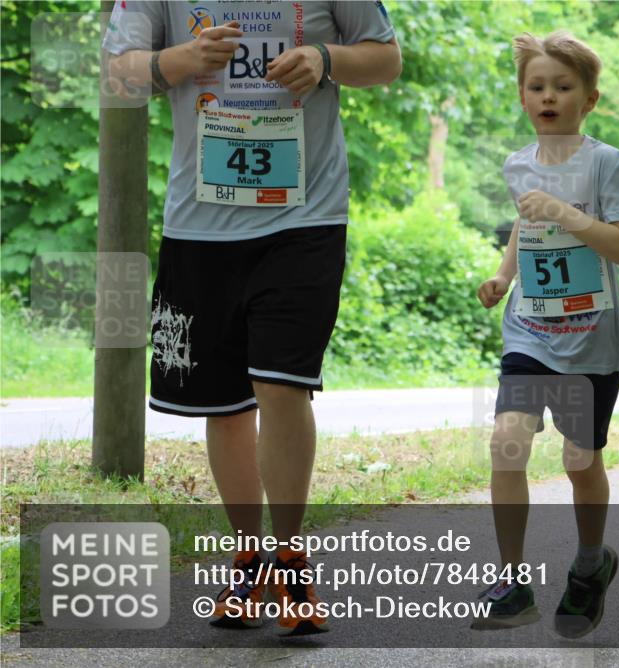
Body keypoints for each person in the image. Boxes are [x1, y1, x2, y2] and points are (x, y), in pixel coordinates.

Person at [103, 2, 401, 636]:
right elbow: (118, 70)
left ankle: (291, 559)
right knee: (226, 401)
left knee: (282, 383)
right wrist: (175, 61)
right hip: (202, 220)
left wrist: (325, 60)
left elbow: (386, 58)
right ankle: (249, 559)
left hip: (305, 215)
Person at [474, 30, 619, 638]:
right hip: (529, 333)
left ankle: (591, 564)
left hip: (590, 340)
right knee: (505, 443)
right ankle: (513, 581)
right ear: (522, 97)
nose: (549, 96)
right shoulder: (517, 165)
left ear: (589, 98)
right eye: (537, 86)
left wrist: (569, 214)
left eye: (562, 87)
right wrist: (501, 276)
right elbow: (526, 227)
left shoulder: (607, 163)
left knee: (578, 459)